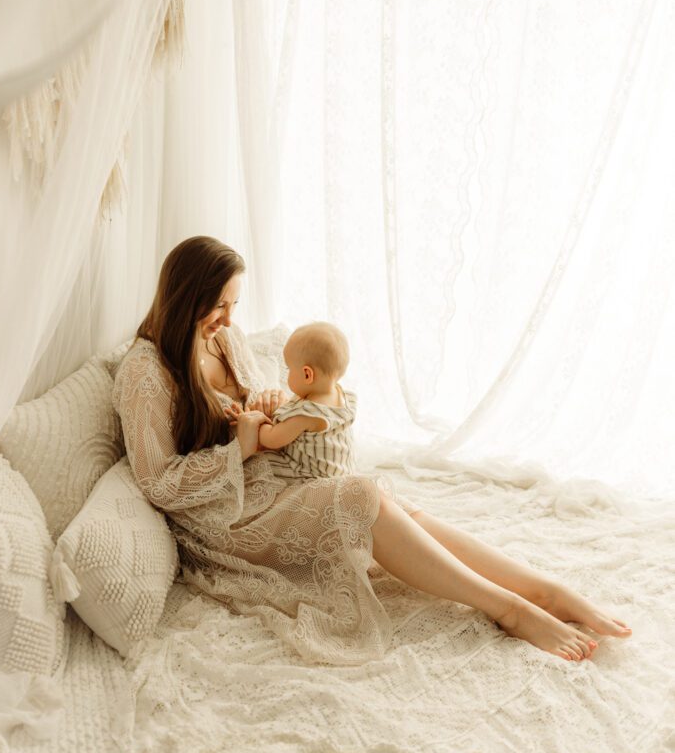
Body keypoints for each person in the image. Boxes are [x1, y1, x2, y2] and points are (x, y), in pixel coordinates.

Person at [113, 235, 632, 666]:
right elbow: (157, 480)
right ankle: (510, 609)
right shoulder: (145, 372)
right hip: (228, 514)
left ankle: (542, 589)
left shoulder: (221, 339)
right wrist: (239, 450)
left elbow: (250, 397)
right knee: (362, 498)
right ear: (185, 298)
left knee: (390, 503)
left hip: (274, 476)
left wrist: (266, 400)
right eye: (219, 305)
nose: (228, 318)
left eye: (234, 305)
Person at [252, 321, 357, 482]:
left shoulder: (306, 414)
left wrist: (256, 419)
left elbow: (272, 440)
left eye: (288, 368)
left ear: (307, 375)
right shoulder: (340, 395)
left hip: (311, 479)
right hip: (341, 473)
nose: (286, 372)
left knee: (255, 465)